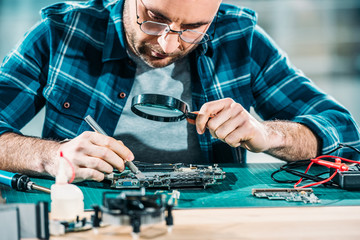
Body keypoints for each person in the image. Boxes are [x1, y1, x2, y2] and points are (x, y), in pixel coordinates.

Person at [0, 0, 359, 182]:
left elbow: (343, 133)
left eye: (192, 28)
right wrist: (52, 157)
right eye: (153, 18)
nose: (167, 44)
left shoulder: (239, 37)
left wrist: (269, 134)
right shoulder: (61, 33)